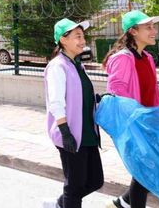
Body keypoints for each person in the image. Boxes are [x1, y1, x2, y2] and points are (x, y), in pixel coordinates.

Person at [103, 10, 159, 208]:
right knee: (144, 171)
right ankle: (123, 203)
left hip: (149, 126)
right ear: (133, 31)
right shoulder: (122, 59)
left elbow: (152, 95)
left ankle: (121, 203)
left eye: (153, 26)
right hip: (133, 128)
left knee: (146, 171)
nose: (154, 31)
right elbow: (118, 100)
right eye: (148, 27)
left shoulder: (147, 58)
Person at [43, 18, 103, 208]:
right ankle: (65, 202)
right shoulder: (57, 66)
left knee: (95, 181)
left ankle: (61, 203)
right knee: (74, 187)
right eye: (77, 36)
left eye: (82, 36)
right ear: (63, 40)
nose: (82, 40)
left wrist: (96, 100)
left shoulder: (77, 65)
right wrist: (65, 133)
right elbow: (56, 102)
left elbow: (79, 94)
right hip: (71, 134)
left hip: (87, 133)